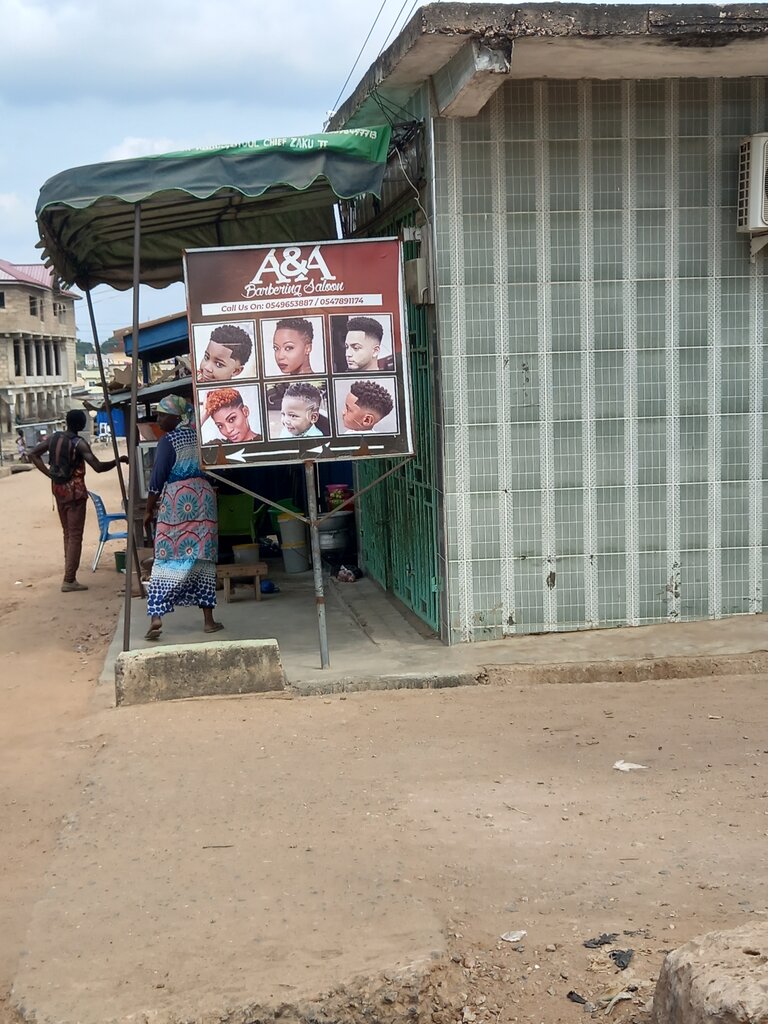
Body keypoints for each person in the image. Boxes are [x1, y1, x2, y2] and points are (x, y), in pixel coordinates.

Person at [143, 395, 222, 641]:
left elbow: (158, 478)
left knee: (167, 555)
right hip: (204, 498)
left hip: (179, 499)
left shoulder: (168, 440)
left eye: (161, 415)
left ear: (176, 417)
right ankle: (208, 621)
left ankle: (157, 616)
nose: (158, 420)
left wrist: (148, 509)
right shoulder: (199, 435)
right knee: (204, 558)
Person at [28, 409, 129, 592]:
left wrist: (49, 474)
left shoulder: (54, 438)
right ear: (82, 425)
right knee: (75, 535)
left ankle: (70, 574)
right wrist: (118, 460)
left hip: (58, 491)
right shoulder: (79, 444)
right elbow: (98, 467)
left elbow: (33, 454)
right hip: (75, 493)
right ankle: (69, 579)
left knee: (67, 533)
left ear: (67, 422)